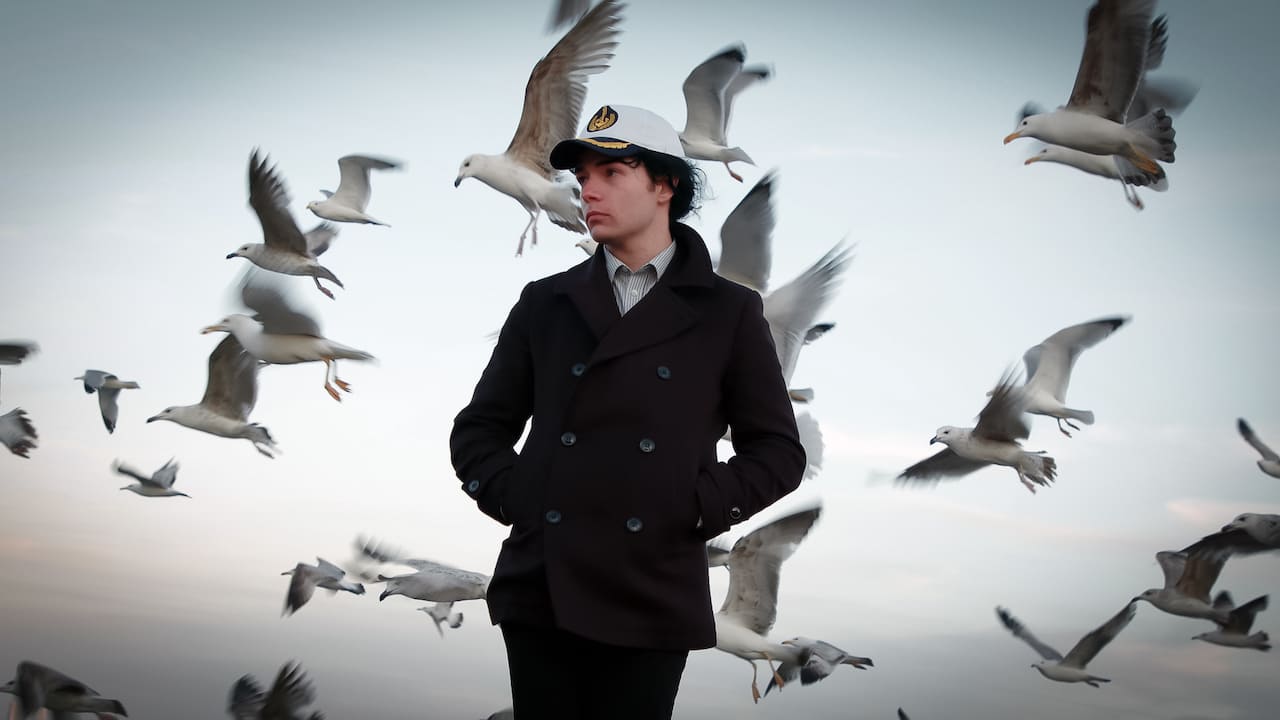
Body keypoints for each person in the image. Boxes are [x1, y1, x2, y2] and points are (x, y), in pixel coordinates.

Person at [450, 104, 805, 719]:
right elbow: (479, 428)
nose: (587, 188)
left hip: (653, 588)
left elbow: (777, 451)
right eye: (583, 175)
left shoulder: (731, 313)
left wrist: (690, 504)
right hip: (543, 586)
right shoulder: (545, 303)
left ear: (664, 184)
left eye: (611, 171)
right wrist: (521, 499)